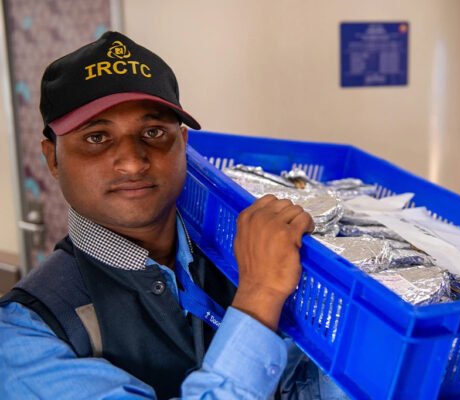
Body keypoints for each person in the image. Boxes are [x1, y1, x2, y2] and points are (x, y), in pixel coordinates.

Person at [0, 31, 347, 399]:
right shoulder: (25, 335)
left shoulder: (238, 252)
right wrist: (259, 296)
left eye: (153, 132)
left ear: (182, 144)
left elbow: (301, 385)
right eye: (97, 137)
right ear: (53, 158)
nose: (133, 161)